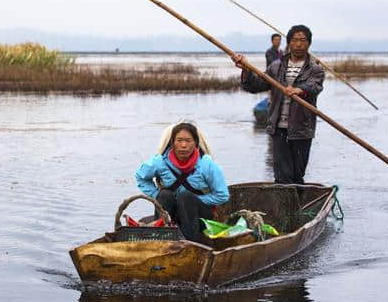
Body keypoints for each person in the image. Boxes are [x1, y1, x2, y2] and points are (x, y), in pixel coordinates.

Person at [231, 25, 324, 185]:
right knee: (282, 175)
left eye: (303, 40)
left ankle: (297, 205)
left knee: (297, 174)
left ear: (309, 43)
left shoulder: (315, 69)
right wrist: (246, 69)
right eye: (295, 40)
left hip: (302, 129)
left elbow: (315, 87)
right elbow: (256, 85)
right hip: (279, 128)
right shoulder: (276, 67)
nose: (299, 44)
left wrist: (298, 90)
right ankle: (285, 206)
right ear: (289, 43)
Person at [135, 123, 229, 242]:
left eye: (188, 141)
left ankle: (191, 244)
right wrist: (156, 195)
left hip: (200, 218)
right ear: (172, 143)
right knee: (164, 195)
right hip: (172, 214)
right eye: (179, 140)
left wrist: (196, 200)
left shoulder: (206, 164)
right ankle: (160, 240)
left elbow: (222, 195)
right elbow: (141, 177)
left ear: (195, 143)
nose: (183, 145)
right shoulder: (160, 162)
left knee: (185, 197)